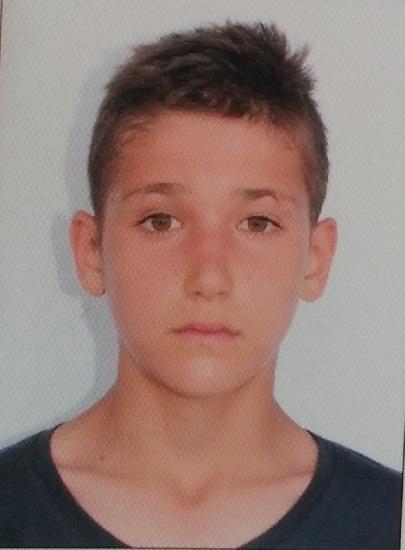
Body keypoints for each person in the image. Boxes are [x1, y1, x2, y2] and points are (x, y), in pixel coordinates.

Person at [0, 20, 402, 549]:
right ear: (91, 251)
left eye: (257, 223)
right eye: (161, 220)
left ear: (316, 258)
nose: (209, 278)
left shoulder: (388, 522)